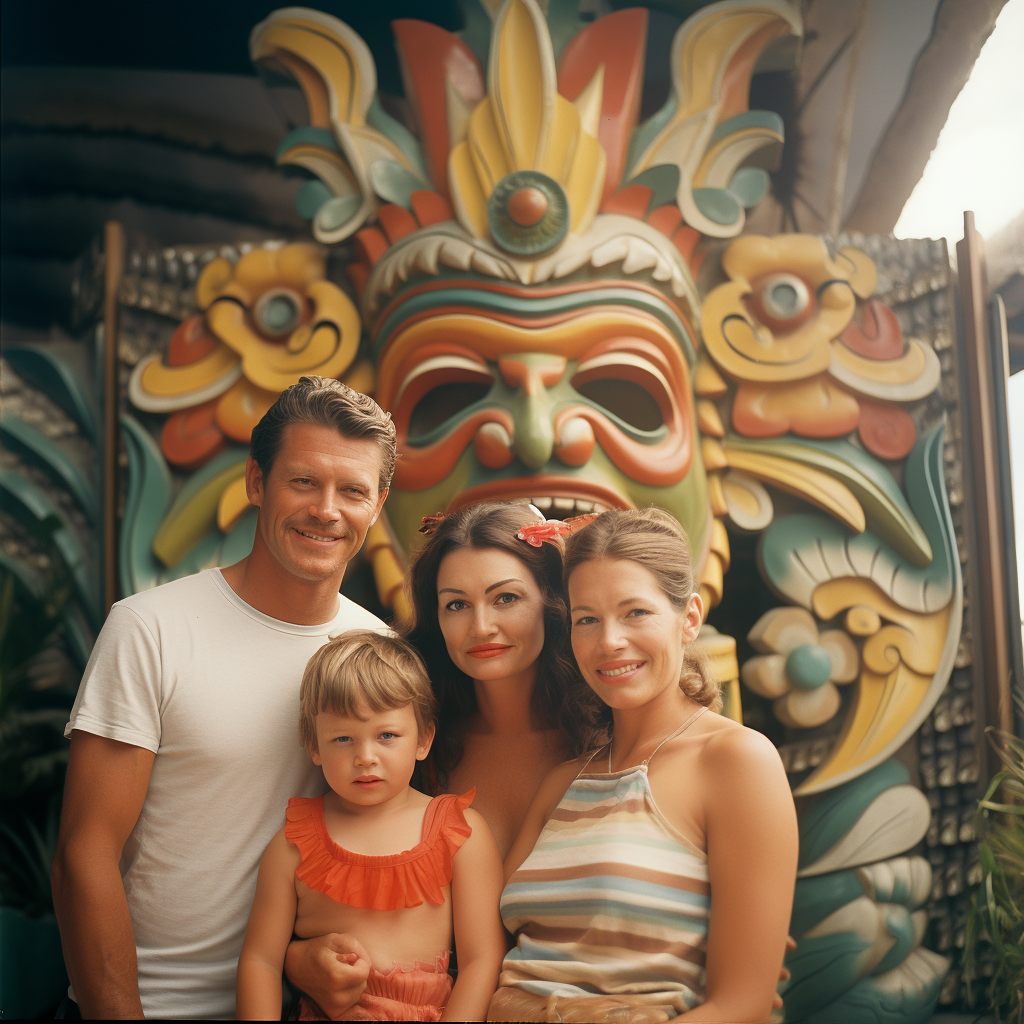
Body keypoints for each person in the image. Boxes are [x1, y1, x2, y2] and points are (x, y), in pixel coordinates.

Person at [51, 376, 394, 1019]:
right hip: (149, 1005)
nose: (327, 509)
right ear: (256, 482)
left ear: (377, 504)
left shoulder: (375, 652)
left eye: (352, 490)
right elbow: (83, 855)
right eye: (303, 482)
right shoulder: (151, 628)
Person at [490, 507, 799, 1023]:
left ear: (690, 618)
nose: (608, 640)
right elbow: (491, 954)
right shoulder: (564, 781)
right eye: (587, 619)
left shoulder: (736, 761)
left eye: (635, 612)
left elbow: (741, 1006)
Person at [236, 631, 505, 1021]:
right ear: (313, 744)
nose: (365, 757)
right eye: (343, 738)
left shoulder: (459, 832)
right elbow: (260, 961)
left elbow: (483, 960)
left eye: (387, 736)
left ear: (423, 738)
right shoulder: (294, 843)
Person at [403, 502, 603, 857]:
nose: (481, 627)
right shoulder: (412, 749)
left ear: (552, 602)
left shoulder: (610, 735)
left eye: (505, 598)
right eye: (456, 605)